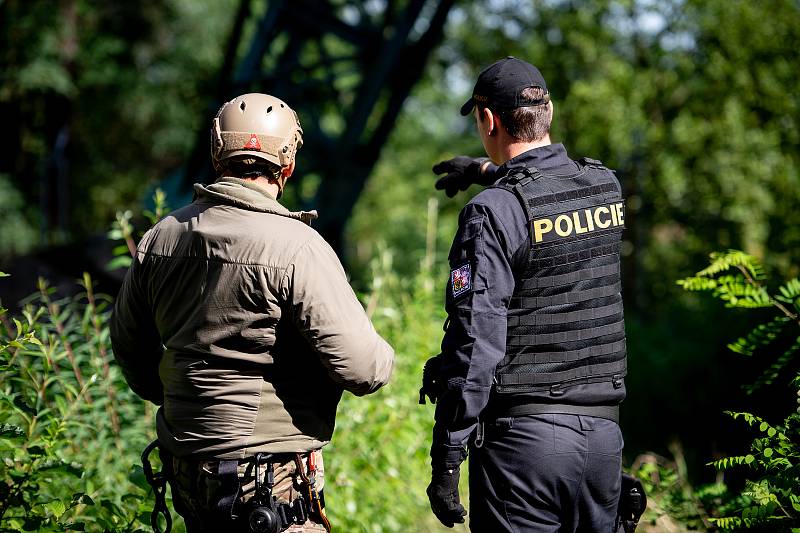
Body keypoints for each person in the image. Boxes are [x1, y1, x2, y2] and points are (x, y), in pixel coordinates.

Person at [110, 93, 395, 533]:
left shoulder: (161, 238)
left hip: (185, 469)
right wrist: (386, 356)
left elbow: (130, 349)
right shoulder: (297, 247)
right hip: (268, 480)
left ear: (216, 154)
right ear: (288, 166)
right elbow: (363, 369)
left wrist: (187, 404)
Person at [424, 57, 627, 532]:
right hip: (603, 443)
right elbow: (550, 187)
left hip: (524, 451)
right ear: (547, 113)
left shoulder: (491, 214)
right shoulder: (606, 188)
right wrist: (481, 169)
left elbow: (476, 345)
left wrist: (448, 458)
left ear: (488, 119)